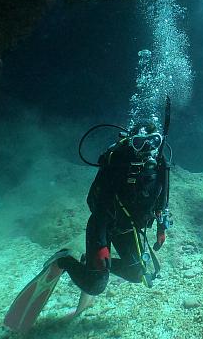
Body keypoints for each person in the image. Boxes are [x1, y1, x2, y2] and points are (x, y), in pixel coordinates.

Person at [56, 120, 170, 295]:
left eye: (153, 141)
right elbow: (100, 204)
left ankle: (92, 263)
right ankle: (64, 260)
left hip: (127, 228)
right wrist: (101, 245)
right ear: (132, 142)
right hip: (104, 224)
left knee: (136, 273)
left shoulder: (160, 164)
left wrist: (161, 228)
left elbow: (163, 200)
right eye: (139, 142)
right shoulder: (119, 161)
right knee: (95, 285)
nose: (147, 148)